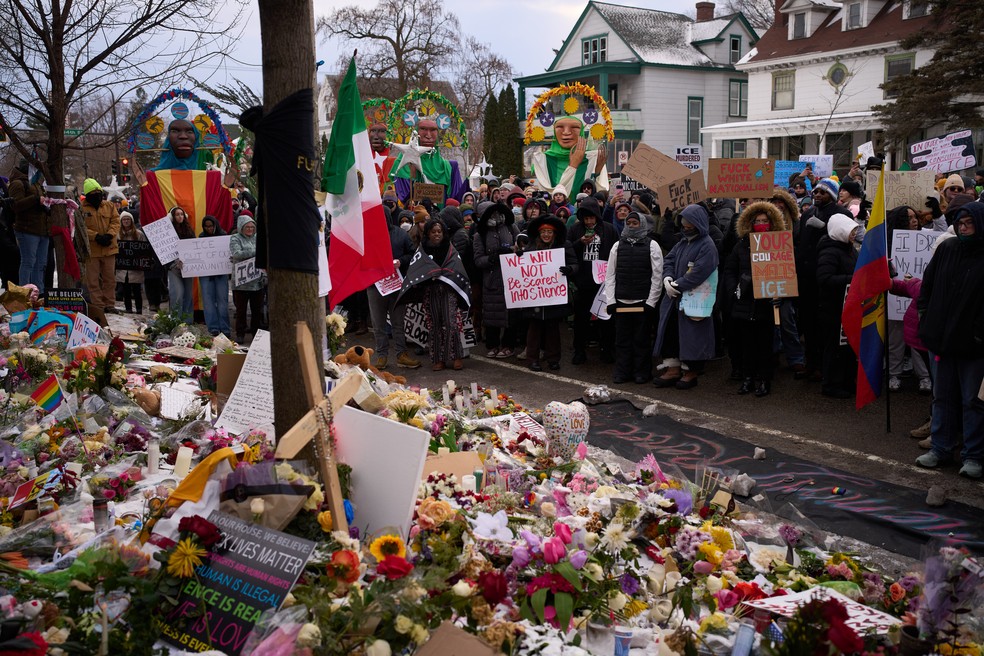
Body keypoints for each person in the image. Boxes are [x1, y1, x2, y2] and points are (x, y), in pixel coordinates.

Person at [915, 201, 984, 479]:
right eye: (960, 224)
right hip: (941, 340)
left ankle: (974, 455)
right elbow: (927, 286)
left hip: (975, 346)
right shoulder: (947, 249)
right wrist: (925, 315)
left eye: (969, 223)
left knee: (973, 401)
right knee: (942, 396)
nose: (964, 228)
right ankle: (941, 448)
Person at [723, 202, 787, 397]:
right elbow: (730, 270)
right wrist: (735, 289)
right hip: (744, 303)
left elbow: (786, 272)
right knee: (746, 345)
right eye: (757, 221)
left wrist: (780, 295)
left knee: (765, 346)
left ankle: (764, 380)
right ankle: (748, 379)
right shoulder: (742, 245)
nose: (761, 224)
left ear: (772, 223)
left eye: (765, 221)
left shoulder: (779, 246)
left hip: (766, 304)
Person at [653, 204, 719, 389]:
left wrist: (678, 284)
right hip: (674, 299)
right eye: (684, 224)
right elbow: (670, 260)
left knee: (693, 336)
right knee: (671, 332)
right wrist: (667, 278)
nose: (686, 227)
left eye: (690, 224)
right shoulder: (682, 242)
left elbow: (700, 271)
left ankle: (691, 371)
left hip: (695, 299)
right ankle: (672, 368)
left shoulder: (707, 245)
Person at [396, 219, 471, 371]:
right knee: (434, 325)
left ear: (443, 233)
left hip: (448, 290)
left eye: (439, 232)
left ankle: (456, 356)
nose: (437, 234)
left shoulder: (451, 249)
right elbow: (415, 269)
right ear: (428, 234)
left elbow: (457, 268)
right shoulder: (422, 250)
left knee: (451, 323)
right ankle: (438, 359)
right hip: (430, 290)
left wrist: (443, 274)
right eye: (433, 232)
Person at [797, 177, 850, 380]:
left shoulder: (841, 214)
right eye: (817, 191)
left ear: (833, 195)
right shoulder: (807, 213)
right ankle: (810, 363)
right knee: (808, 321)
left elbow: (844, 239)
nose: (818, 195)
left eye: (823, 192)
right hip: (807, 277)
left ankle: (823, 366)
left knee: (823, 325)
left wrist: (824, 227)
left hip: (826, 275)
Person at [604, 211, 663, 384]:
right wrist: (611, 301)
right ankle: (622, 372)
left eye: (634, 223)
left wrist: (651, 301)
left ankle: (642, 372)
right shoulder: (617, 246)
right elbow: (610, 275)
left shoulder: (652, 245)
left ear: (642, 224)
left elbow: (657, 276)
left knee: (641, 340)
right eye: (628, 222)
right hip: (622, 302)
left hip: (642, 302)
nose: (631, 225)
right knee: (622, 340)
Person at [365, 207, 419, 369]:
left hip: (396, 284)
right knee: (378, 323)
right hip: (375, 285)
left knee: (398, 322)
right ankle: (382, 355)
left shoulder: (400, 234)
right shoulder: (368, 235)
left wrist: (400, 262)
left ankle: (401, 354)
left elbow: (413, 253)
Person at [522, 214, 577, 372]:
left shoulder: (564, 245)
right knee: (534, 328)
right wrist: (519, 256)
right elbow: (522, 267)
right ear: (539, 234)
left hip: (554, 295)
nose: (546, 235)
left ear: (555, 233)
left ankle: (553, 358)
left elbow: (575, 264)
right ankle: (532, 359)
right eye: (543, 232)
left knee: (553, 328)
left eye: (549, 232)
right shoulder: (531, 247)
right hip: (536, 296)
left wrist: (570, 269)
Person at [569, 196, 618, 365]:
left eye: (592, 218)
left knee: (606, 318)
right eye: (586, 218)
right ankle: (579, 351)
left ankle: (606, 350)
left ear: (597, 216)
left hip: (603, 283)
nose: (589, 222)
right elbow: (567, 250)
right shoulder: (576, 229)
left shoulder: (609, 229)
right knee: (581, 319)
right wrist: (579, 243)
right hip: (583, 282)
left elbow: (616, 251)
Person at [815, 213, 859, 399]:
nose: (854, 234)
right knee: (834, 347)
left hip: (847, 305)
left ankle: (847, 382)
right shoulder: (830, 252)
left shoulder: (850, 250)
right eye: (851, 230)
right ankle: (831, 384)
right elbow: (825, 279)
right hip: (832, 308)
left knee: (847, 347)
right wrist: (853, 279)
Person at [472, 201, 520, 358]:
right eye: (490, 214)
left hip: (511, 278)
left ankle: (508, 345)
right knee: (492, 314)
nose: (495, 216)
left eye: (496, 213)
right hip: (492, 280)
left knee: (511, 315)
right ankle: (492, 345)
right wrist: (493, 258)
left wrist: (515, 251)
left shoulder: (511, 228)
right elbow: (478, 260)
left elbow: (522, 247)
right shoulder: (480, 235)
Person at [391, 118, 467, 206]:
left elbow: (456, 200)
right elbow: (402, 196)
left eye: (433, 130)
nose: (428, 135)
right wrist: (413, 173)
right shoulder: (403, 162)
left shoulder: (449, 168)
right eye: (423, 129)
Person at [529, 116, 608, 196]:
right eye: (560, 127)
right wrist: (573, 166)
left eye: (574, 127)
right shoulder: (542, 160)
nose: (566, 132)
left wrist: (598, 173)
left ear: (581, 132)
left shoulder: (594, 158)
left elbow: (602, 195)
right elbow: (551, 195)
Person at [79, 179, 120, 327]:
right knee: (93, 280)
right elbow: (81, 226)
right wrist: (96, 236)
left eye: (99, 193)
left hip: (109, 248)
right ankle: (98, 305)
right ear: (87, 195)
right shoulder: (81, 209)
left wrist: (109, 235)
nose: (97, 196)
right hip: (92, 250)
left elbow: (116, 221)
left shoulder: (109, 206)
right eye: (93, 194)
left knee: (110, 278)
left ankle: (110, 304)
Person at [7, 159, 48, 291]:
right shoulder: (18, 183)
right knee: (28, 262)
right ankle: (25, 293)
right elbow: (16, 205)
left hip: (41, 229)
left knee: (40, 264)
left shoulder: (36, 183)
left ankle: (39, 293)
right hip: (27, 229)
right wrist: (35, 199)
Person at [229, 213, 266, 343]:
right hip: (241, 283)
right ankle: (240, 333)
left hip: (257, 281)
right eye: (247, 227)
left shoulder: (258, 238)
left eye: (252, 227)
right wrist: (258, 252)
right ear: (241, 227)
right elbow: (237, 254)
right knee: (241, 311)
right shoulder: (235, 238)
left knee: (257, 310)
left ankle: (256, 333)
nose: (250, 229)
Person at [197, 215, 231, 336]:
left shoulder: (223, 235)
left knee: (222, 301)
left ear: (215, 225)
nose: (209, 229)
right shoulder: (201, 237)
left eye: (211, 226)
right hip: (206, 274)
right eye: (206, 227)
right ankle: (213, 329)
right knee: (208, 301)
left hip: (221, 273)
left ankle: (225, 329)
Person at [167, 206, 196, 319]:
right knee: (177, 294)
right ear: (172, 217)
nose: (180, 216)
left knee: (188, 295)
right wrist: (173, 263)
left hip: (187, 267)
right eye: (177, 214)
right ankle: (175, 320)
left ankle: (187, 321)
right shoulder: (168, 232)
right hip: (173, 268)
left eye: (182, 214)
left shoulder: (189, 230)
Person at [114, 211, 146, 314]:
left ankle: (139, 309)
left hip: (135, 267)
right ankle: (128, 308)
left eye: (128, 219)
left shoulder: (139, 234)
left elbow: (145, 248)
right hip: (123, 268)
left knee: (137, 290)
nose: (126, 221)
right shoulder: (117, 235)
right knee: (125, 290)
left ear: (131, 221)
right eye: (124, 219)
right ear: (121, 221)